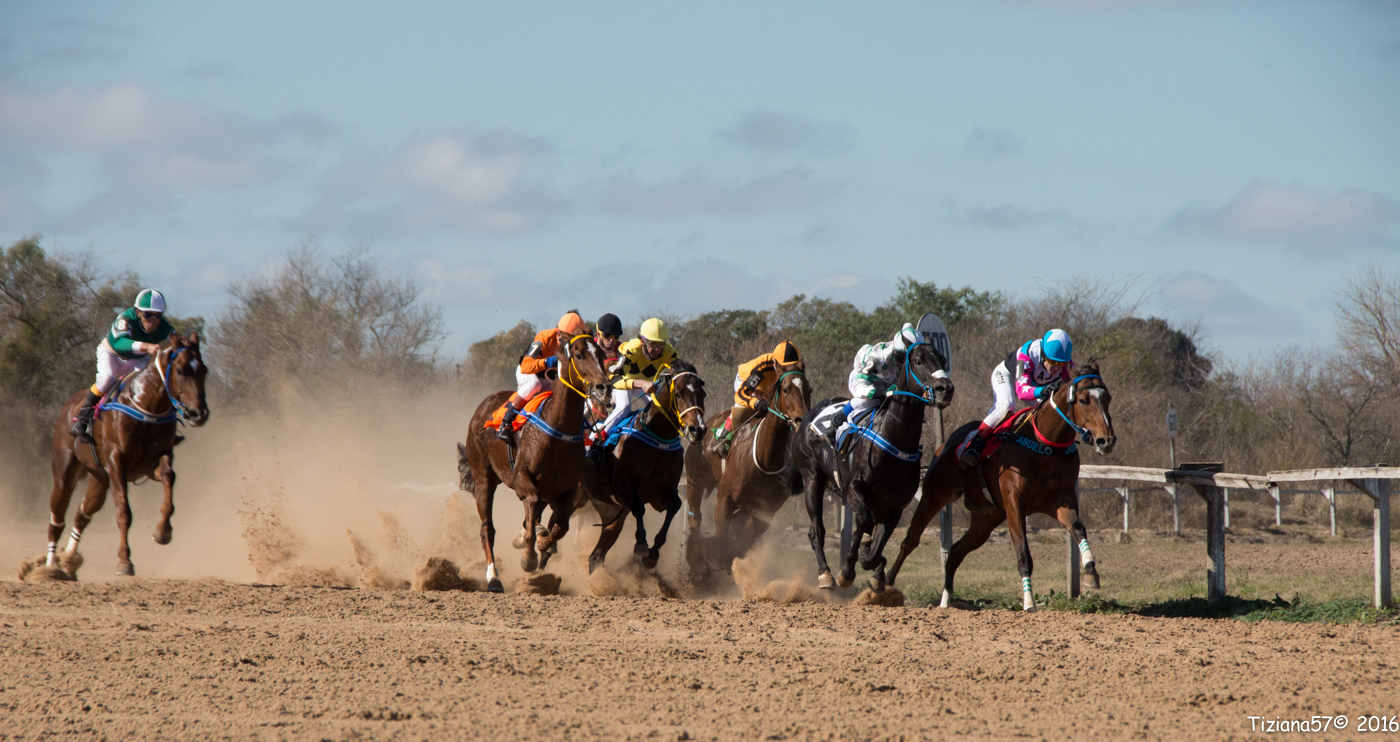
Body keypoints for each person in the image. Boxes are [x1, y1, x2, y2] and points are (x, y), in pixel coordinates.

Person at [956, 328, 1074, 468]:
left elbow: (1069, 391)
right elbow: (1022, 392)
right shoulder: (1028, 355)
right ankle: (972, 446)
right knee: (1006, 406)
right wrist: (1043, 390)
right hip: (1008, 377)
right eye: (1052, 362)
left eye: (1061, 364)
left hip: (1033, 385)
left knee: (1049, 412)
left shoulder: (1065, 362)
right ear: (1042, 354)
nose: (1057, 368)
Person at [70, 289, 174, 441]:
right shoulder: (125, 318)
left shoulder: (162, 326)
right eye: (147, 315)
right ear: (138, 312)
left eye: (157, 316)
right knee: (107, 378)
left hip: (136, 359)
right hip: (112, 354)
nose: (153, 320)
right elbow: (120, 343)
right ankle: (82, 417)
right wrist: (146, 346)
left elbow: (177, 338)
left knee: (155, 381)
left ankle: (163, 425)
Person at [589, 318, 677, 460]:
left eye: (660, 345)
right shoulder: (631, 349)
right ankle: (593, 440)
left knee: (667, 404)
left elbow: (681, 372)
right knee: (624, 407)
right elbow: (615, 379)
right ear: (642, 341)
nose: (656, 349)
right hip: (625, 383)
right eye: (652, 344)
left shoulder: (669, 352)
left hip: (648, 385)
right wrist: (641, 383)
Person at [497, 311, 590, 444]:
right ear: (558, 333)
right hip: (529, 372)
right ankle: (505, 423)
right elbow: (526, 367)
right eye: (567, 339)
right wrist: (547, 362)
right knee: (534, 385)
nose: (570, 344)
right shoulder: (544, 338)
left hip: (548, 377)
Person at [833, 323, 923, 450]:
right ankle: (836, 421)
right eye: (903, 357)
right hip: (866, 379)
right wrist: (881, 392)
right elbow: (860, 383)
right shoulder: (879, 356)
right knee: (865, 401)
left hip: (891, 383)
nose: (905, 362)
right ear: (896, 351)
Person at [707, 340, 803, 457]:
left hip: (769, 387)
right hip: (747, 383)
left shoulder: (796, 371)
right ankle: (723, 437)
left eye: (792, 366)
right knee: (743, 407)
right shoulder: (761, 367)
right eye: (783, 367)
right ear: (774, 363)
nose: (788, 370)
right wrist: (756, 402)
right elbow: (741, 395)